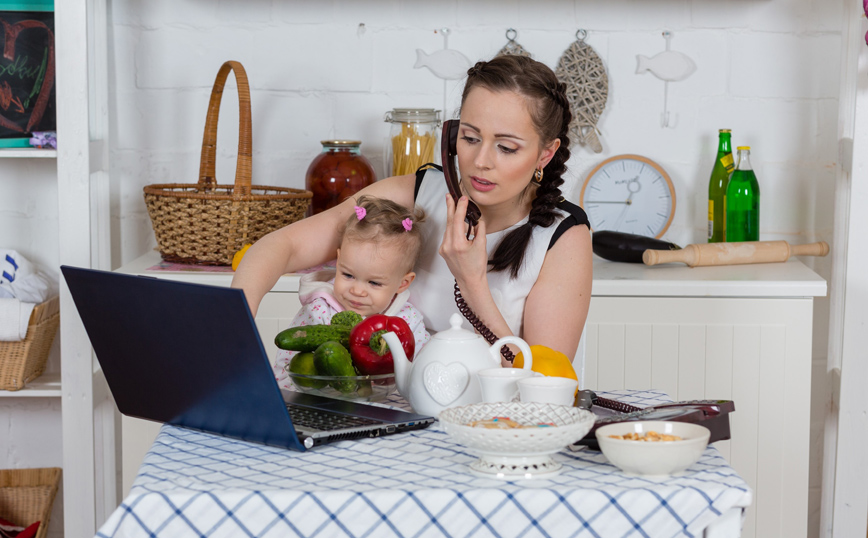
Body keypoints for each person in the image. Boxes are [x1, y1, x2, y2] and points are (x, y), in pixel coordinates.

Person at [233, 54, 592, 367]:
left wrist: (472, 284)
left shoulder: (563, 237)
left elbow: (542, 384)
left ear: (545, 153)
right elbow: (282, 247)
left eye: (507, 147)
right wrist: (235, 329)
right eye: (469, 138)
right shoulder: (413, 195)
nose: (481, 162)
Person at [273, 195, 430, 388]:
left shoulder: (409, 321)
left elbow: (424, 371)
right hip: (323, 405)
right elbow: (285, 366)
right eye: (348, 275)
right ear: (338, 262)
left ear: (403, 283)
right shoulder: (319, 311)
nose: (356, 290)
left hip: (390, 409)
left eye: (373, 282)